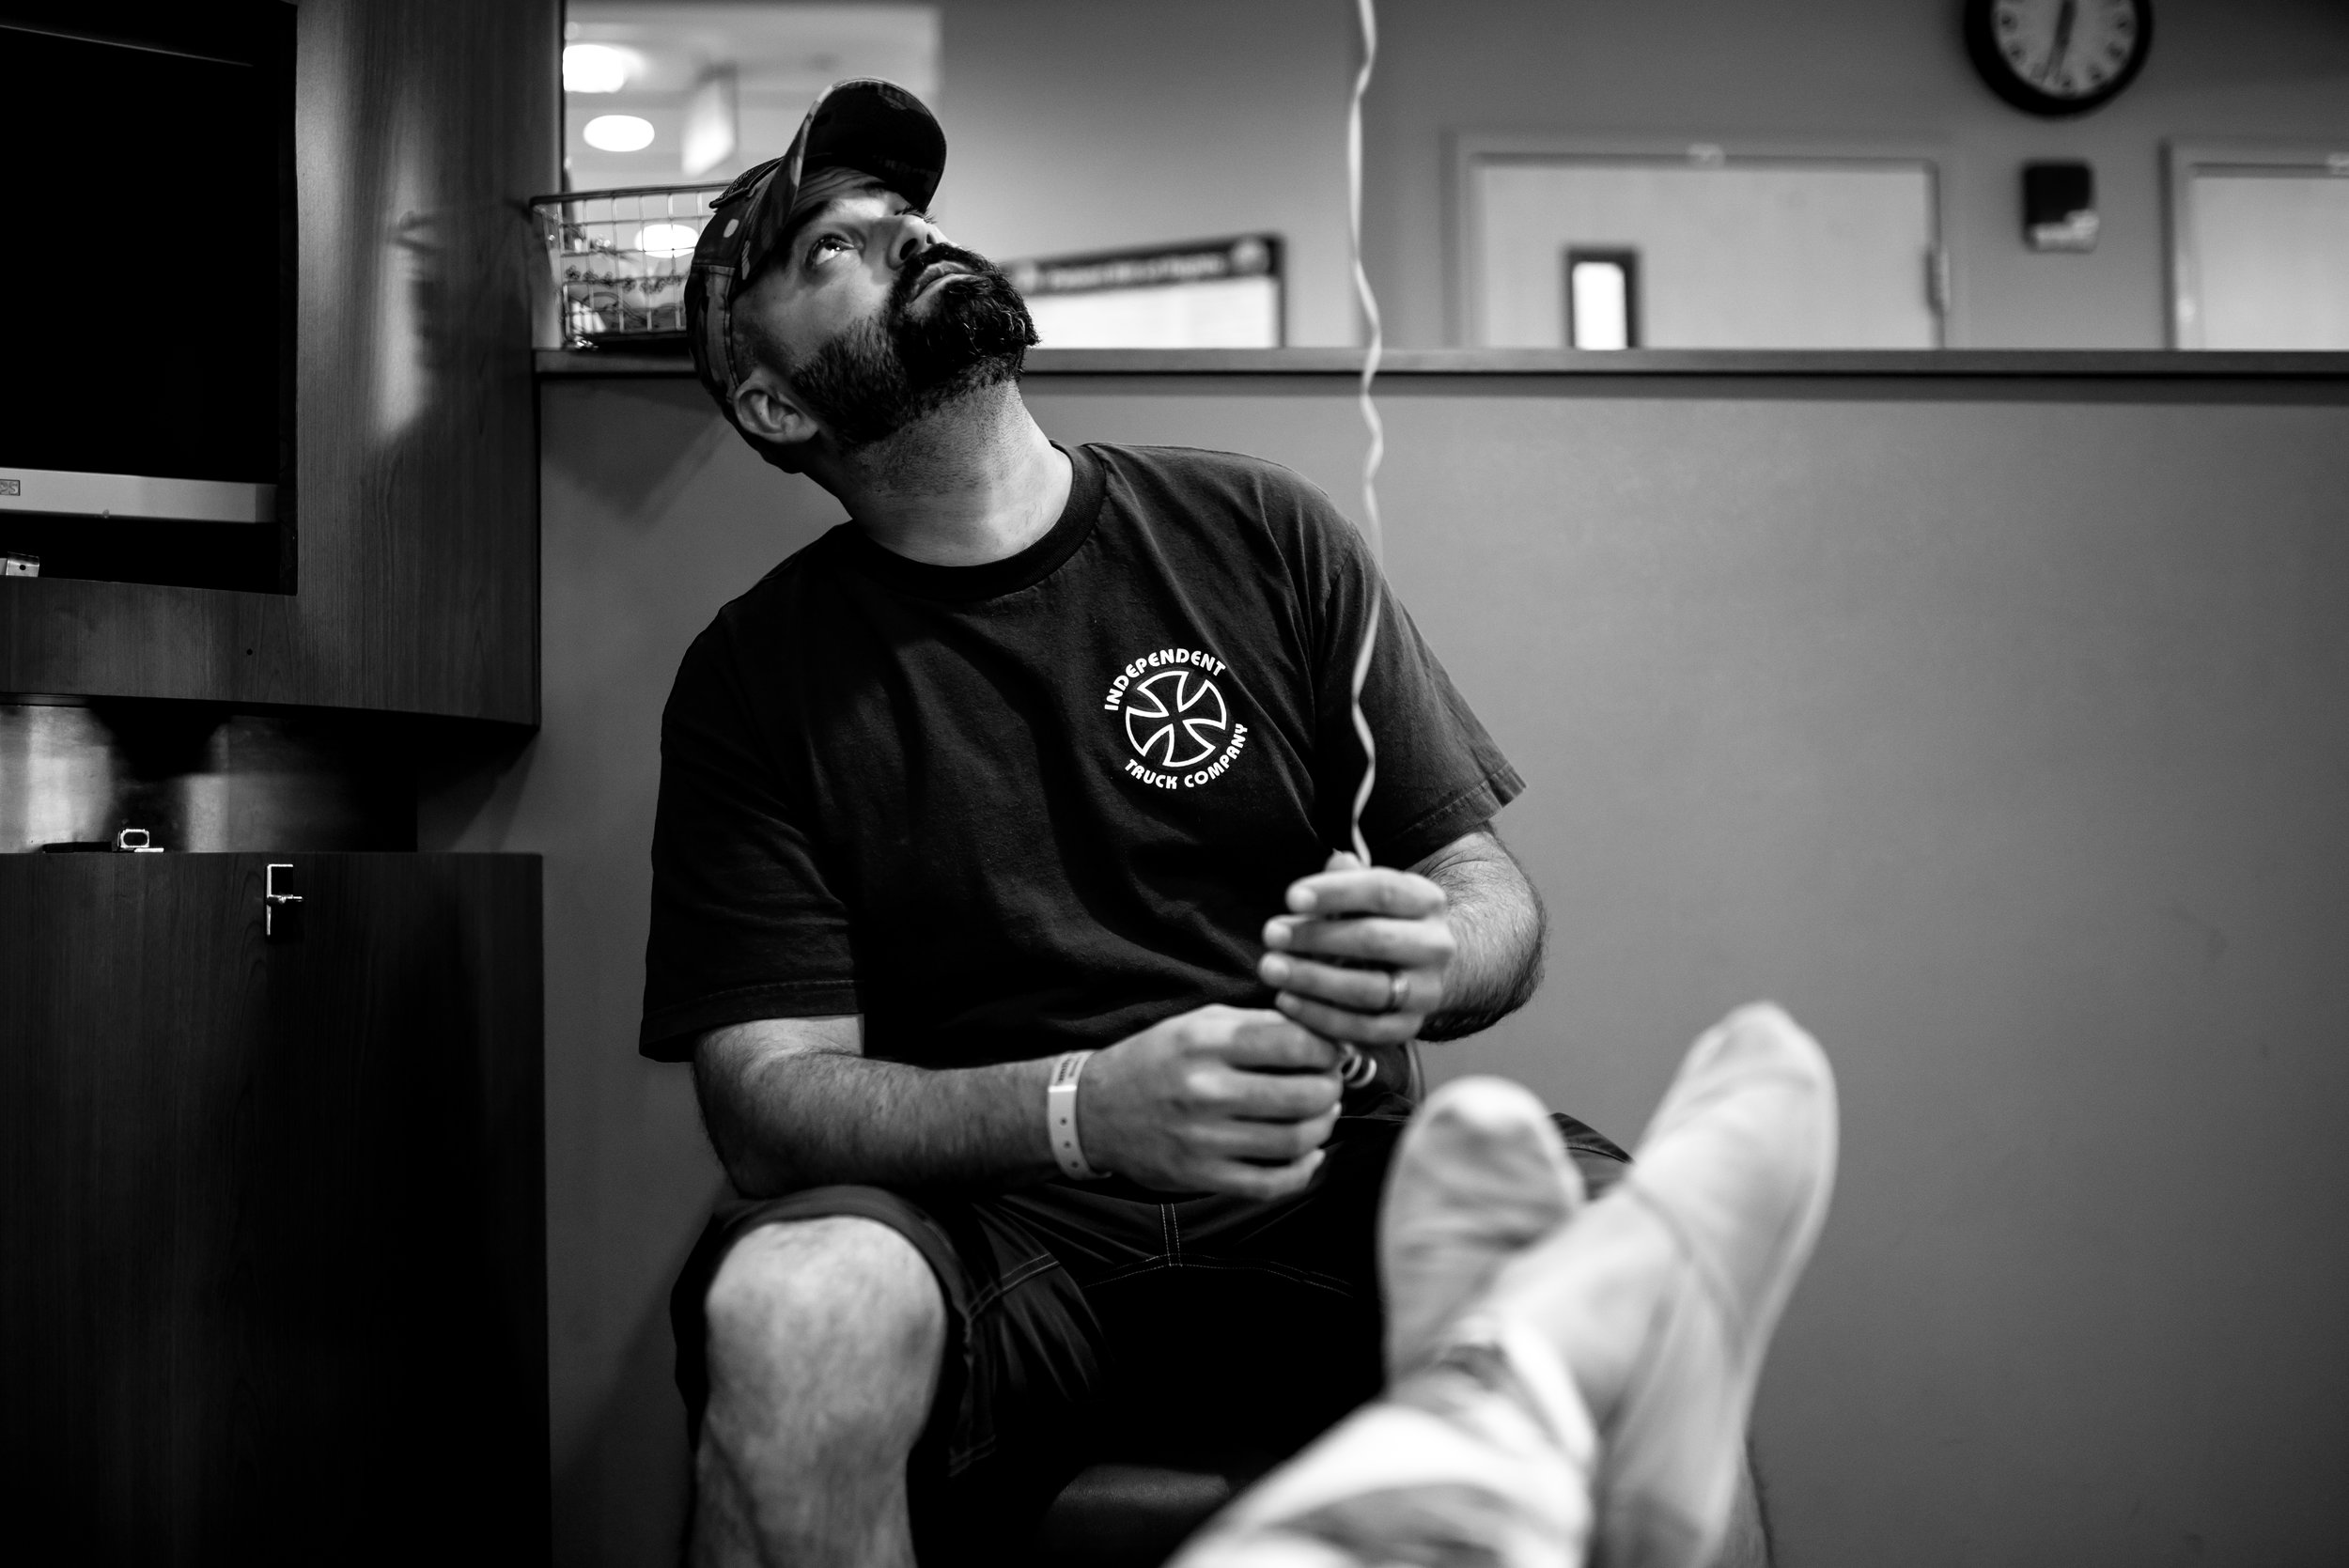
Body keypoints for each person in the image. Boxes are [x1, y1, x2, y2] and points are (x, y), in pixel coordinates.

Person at [646, 79, 1629, 1567]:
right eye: (833, 247)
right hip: (995, 1226)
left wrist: (1432, 951)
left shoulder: (1258, 530)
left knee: (1625, 1255)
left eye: (904, 213)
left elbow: (1488, 891)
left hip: (1323, 1189)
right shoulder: (751, 678)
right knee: (791, 1305)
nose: (906, 232)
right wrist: (1079, 1106)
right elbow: (768, 1103)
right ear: (776, 400)